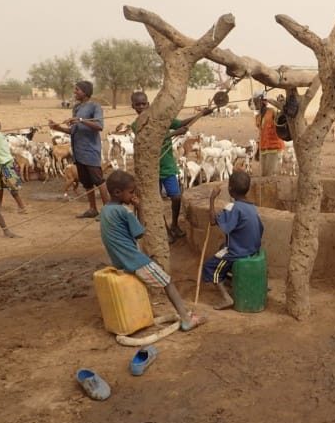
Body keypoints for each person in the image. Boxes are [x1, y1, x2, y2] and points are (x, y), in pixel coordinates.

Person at [99, 169, 207, 331]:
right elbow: (140, 233)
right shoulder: (124, 211)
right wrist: (140, 208)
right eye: (131, 192)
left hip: (119, 260)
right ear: (117, 192)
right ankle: (186, 319)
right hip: (134, 260)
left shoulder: (106, 210)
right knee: (167, 281)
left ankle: (148, 315)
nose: (133, 195)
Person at [130, 91, 214, 243]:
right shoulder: (136, 125)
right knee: (155, 202)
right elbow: (150, 141)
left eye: (144, 103)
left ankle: (174, 224)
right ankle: (164, 230)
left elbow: (181, 123)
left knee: (175, 197)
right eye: (138, 104)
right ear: (133, 106)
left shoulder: (161, 119)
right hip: (151, 169)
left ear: (149, 104)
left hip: (167, 166)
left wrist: (201, 114)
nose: (141, 107)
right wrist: (175, 134)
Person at [203, 170, 264, 310]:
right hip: (252, 248)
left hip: (239, 250)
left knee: (210, 267)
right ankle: (233, 279)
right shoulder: (252, 207)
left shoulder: (233, 208)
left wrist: (212, 199)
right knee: (221, 246)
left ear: (230, 189)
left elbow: (213, 221)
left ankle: (226, 297)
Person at [49, 81, 109, 218]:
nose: (75, 92)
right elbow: (73, 131)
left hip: (90, 150)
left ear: (86, 92)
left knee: (99, 180)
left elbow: (100, 126)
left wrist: (81, 120)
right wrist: (57, 128)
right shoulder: (76, 108)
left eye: (77, 90)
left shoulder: (95, 106)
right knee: (87, 182)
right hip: (78, 152)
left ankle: (108, 211)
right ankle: (93, 209)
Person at [254, 91, 284, 176]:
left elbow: (280, 121)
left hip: (274, 147)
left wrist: (273, 101)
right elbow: (261, 133)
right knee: (264, 174)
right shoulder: (258, 116)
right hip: (263, 148)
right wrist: (257, 150)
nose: (255, 104)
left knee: (270, 175)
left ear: (262, 102)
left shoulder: (272, 112)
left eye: (256, 101)